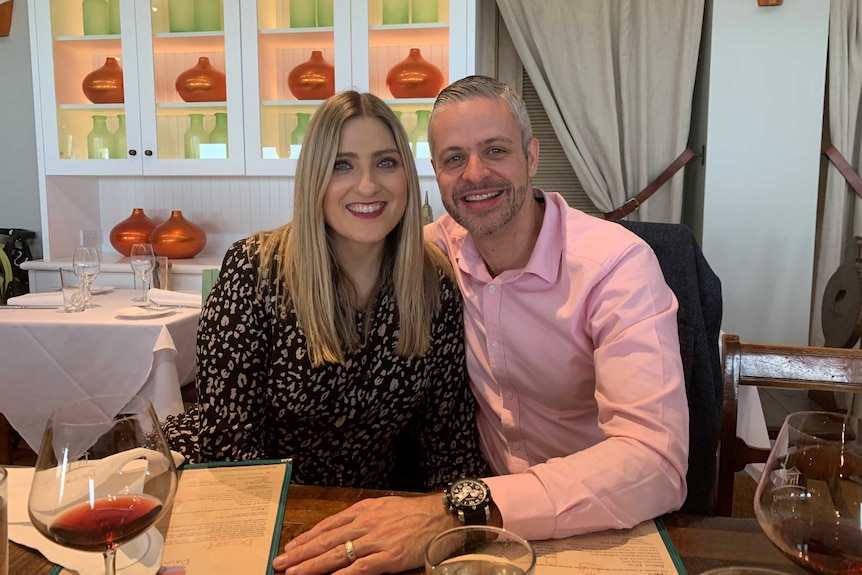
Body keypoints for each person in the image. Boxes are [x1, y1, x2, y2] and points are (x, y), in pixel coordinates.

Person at [272, 76, 689, 575]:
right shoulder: (427, 259)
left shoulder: (616, 266)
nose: (475, 174)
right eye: (454, 159)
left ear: (531, 158)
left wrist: (459, 506)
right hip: (470, 533)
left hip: (597, 524)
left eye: (495, 150)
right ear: (434, 172)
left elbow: (656, 463)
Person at [163, 90, 489, 492]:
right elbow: (230, 451)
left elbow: (450, 443)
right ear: (314, 178)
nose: (368, 185)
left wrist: (459, 525)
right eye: (342, 166)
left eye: (386, 163)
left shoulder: (434, 282)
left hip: (365, 506)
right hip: (236, 494)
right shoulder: (254, 271)